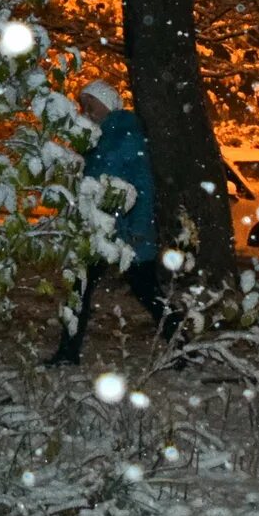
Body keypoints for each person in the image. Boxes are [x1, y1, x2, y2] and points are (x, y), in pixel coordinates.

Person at [49, 84, 179, 365]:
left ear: (107, 104)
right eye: (84, 105)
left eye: (91, 104)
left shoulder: (126, 136)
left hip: (126, 231)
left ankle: (182, 347)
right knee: (79, 288)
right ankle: (67, 352)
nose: (87, 111)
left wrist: (140, 229)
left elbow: (143, 185)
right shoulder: (97, 138)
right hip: (98, 229)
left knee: (147, 292)